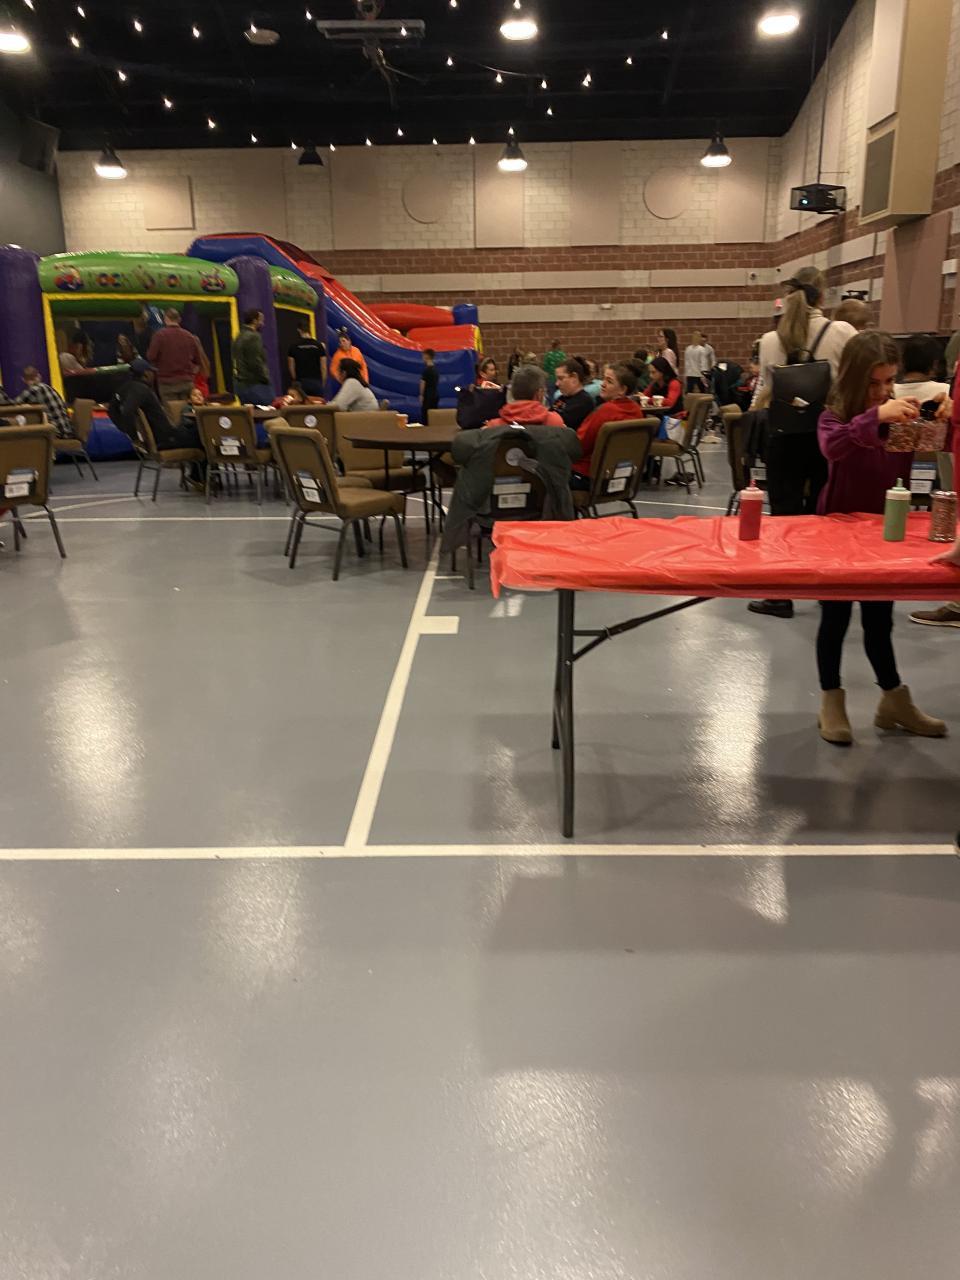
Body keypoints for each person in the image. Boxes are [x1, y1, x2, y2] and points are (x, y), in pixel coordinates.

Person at [814, 329, 945, 744]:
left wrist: (942, 416)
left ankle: (893, 700)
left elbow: (935, 445)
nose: (883, 391)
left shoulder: (898, 418)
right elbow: (833, 447)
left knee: (879, 620)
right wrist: (875, 417)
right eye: (874, 383)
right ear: (853, 378)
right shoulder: (834, 416)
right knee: (834, 619)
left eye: (889, 381)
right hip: (837, 532)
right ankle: (831, 700)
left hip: (883, 533)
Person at [748, 265, 857, 618]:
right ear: (822, 296)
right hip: (828, 434)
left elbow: (767, 388)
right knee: (826, 513)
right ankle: (827, 589)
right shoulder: (842, 332)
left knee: (784, 514)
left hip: (783, 435)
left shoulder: (769, 340)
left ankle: (781, 595)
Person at [109, 358, 203, 455]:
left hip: (164, 437)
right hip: (167, 439)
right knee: (203, 434)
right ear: (146, 374)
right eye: (151, 372)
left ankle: (199, 465)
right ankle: (205, 464)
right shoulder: (141, 390)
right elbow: (127, 411)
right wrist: (134, 437)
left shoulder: (124, 388)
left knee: (195, 431)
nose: (154, 375)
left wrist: (128, 432)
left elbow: (112, 410)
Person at [572, 362, 644, 484]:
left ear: (622, 389)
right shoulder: (637, 410)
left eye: (609, 381)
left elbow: (578, 446)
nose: (603, 384)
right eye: (603, 379)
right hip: (623, 479)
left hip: (588, 476)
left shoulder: (606, 411)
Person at [147, 308, 206, 403]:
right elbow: (198, 361)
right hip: (186, 382)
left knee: (171, 410)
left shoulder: (159, 336)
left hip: (167, 383)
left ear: (165, 319)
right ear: (179, 320)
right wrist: (191, 375)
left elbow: (151, 357)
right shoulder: (189, 336)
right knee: (187, 410)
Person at [484, 364, 565, 428]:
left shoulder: (492, 427)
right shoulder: (555, 422)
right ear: (539, 394)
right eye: (544, 391)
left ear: (512, 393)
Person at [14, 366, 73, 438]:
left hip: (56, 433)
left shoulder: (33, 390)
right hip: (67, 430)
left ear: (23, 379)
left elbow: (13, 406)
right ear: (39, 376)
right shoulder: (50, 388)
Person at [232, 308, 273, 406]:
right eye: (261, 320)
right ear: (254, 321)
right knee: (267, 411)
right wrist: (265, 378)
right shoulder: (254, 336)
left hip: (240, 384)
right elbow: (255, 361)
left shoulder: (238, 336)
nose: (263, 323)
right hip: (254, 384)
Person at [553, 357, 596, 431]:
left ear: (574, 377)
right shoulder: (562, 398)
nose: (557, 383)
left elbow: (556, 423)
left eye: (561, 378)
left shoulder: (584, 401)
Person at [287, 319, 327, 396]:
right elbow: (323, 367)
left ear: (299, 330)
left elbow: (291, 367)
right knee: (318, 402)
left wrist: (296, 380)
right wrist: (322, 383)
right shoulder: (319, 346)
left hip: (301, 382)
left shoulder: (293, 346)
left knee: (302, 403)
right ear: (309, 329)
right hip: (316, 382)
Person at [420, 347, 439, 423]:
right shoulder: (436, 371)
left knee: (426, 416)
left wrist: (421, 395)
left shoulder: (426, 371)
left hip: (428, 395)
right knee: (433, 415)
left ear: (426, 356)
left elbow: (422, 384)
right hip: (435, 394)